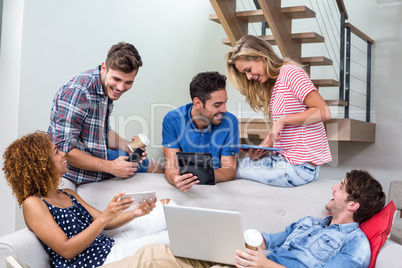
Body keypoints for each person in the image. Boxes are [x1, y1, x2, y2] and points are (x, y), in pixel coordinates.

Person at [101, 169, 385, 268]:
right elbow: (270, 240)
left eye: (341, 187)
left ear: (352, 204)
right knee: (153, 254)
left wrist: (265, 265)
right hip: (247, 260)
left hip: (260, 267)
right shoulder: (310, 223)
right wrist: (244, 237)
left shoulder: (355, 245)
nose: (334, 187)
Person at [2, 131, 171, 267]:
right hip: (95, 262)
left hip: (107, 246)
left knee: (169, 209)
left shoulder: (68, 193)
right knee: (170, 240)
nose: (63, 154)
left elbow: (107, 222)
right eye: (56, 152)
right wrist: (105, 216)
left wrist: (136, 212)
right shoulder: (33, 203)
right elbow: (66, 250)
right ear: (41, 164)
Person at [48, 41, 162, 186]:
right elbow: (65, 151)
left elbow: (102, 132)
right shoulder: (79, 92)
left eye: (128, 82)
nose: (121, 87)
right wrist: (111, 167)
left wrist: (128, 146)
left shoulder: (104, 89)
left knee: (149, 163)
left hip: (98, 154)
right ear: (104, 68)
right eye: (117, 79)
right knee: (144, 167)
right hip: (76, 172)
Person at [225, 35, 332, 187]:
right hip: (283, 161)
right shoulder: (276, 83)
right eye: (244, 74)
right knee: (230, 163)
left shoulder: (290, 73)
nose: (248, 77)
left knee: (229, 169)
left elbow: (324, 111)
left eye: (248, 70)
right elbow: (280, 132)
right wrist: (260, 149)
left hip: (299, 168)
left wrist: (282, 120)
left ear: (261, 55)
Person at [162, 71, 239, 192]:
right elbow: (171, 166)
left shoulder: (230, 122)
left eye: (225, 102)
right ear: (197, 103)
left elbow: (229, 170)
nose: (224, 109)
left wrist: (198, 176)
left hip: (215, 182)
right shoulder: (173, 120)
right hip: (186, 184)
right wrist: (174, 179)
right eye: (217, 105)